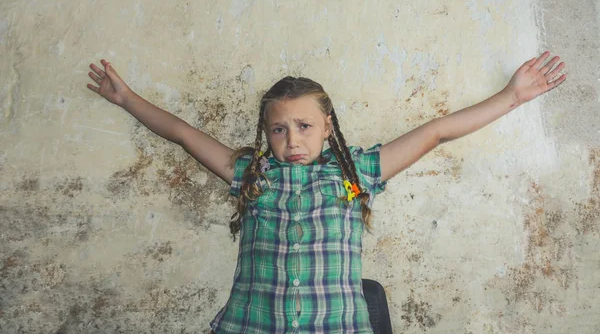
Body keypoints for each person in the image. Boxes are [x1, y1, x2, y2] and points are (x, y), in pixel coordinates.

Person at [87, 51, 566, 333]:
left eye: (303, 126)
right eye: (278, 130)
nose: (292, 141)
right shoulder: (254, 175)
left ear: (327, 125)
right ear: (265, 133)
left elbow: (435, 132)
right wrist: (126, 99)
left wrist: (512, 96)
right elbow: (183, 134)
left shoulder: (353, 175)